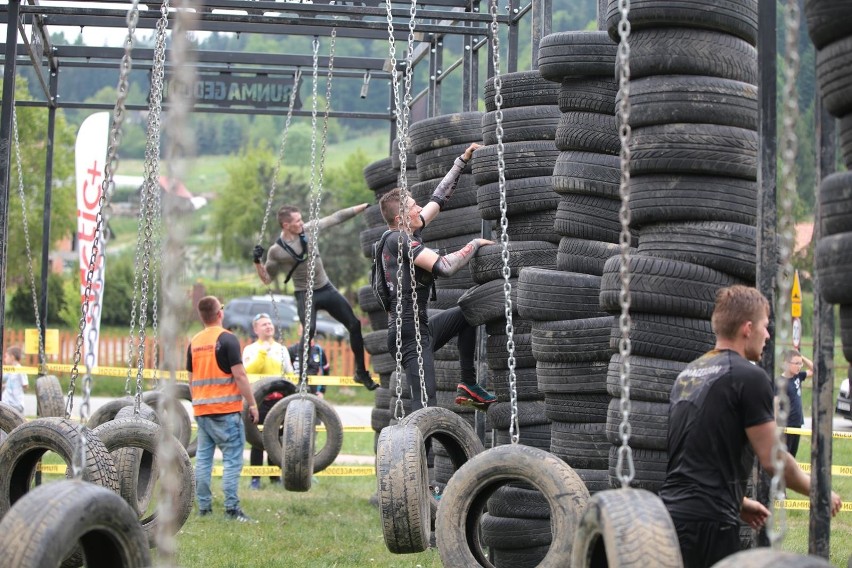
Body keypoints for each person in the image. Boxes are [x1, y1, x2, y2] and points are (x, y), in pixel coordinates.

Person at [659, 285, 842, 568]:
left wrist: (740, 501)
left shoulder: (688, 374)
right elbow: (774, 459)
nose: (768, 335)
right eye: (765, 327)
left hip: (671, 516)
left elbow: (692, 456)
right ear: (747, 328)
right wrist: (819, 490)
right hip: (710, 525)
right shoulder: (748, 376)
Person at [377, 142, 496, 412]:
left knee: (469, 312)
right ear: (400, 218)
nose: (420, 208)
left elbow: (438, 199)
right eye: (413, 207)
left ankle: (468, 382)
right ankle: (419, 455)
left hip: (422, 327)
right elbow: (444, 267)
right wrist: (474, 244)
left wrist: (462, 161)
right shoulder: (398, 241)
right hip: (408, 335)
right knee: (425, 408)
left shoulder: (408, 230)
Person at [253, 202, 378, 392]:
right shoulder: (276, 251)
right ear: (286, 225)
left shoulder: (309, 230)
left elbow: (335, 217)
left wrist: (362, 207)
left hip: (325, 288)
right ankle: (302, 380)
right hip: (305, 292)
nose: (302, 223)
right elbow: (267, 279)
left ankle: (361, 372)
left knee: (354, 324)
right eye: (297, 221)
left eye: (301, 219)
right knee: (308, 331)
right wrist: (257, 262)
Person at [187, 296, 259, 522]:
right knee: (232, 461)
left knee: (204, 461)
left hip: (202, 411)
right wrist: (253, 404)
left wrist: (199, 403)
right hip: (226, 410)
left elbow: (191, 380)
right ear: (220, 314)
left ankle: (204, 508)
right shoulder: (227, 339)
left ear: (202, 316)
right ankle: (231, 510)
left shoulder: (195, 342)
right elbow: (239, 375)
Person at [242, 312, 294, 490]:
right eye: (264, 324)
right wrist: (263, 354)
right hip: (258, 402)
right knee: (257, 440)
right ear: (256, 329)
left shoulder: (282, 349)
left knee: (275, 438)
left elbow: (289, 374)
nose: (268, 326)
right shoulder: (250, 350)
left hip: (278, 401)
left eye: (270, 323)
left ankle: (274, 476)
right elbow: (248, 371)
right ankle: (255, 478)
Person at [775, 348, 813, 458]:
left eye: (800, 364)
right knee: (784, 457)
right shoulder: (780, 382)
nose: (799, 366)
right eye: (796, 363)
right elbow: (775, 404)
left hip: (797, 424)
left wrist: (802, 357)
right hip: (786, 425)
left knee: (792, 456)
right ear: (787, 364)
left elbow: (814, 369)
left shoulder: (798, 377)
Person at [289, 325, 330, 398]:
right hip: (294, 390)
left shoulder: (319, 350)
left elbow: (326, 371)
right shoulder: (292, 350)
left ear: (314, 332)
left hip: (313, 392)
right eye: (303, 329)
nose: (306, 331)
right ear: (299, 332)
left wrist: (321, 391)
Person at [2, 346, 28, 414]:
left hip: (16, 404)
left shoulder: (20, 369)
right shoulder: (9, 369)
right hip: (7, 403)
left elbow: (25, 384)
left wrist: (15, 387)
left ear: (12, 357)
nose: (4, 359)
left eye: (6, 356)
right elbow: (5, 379)